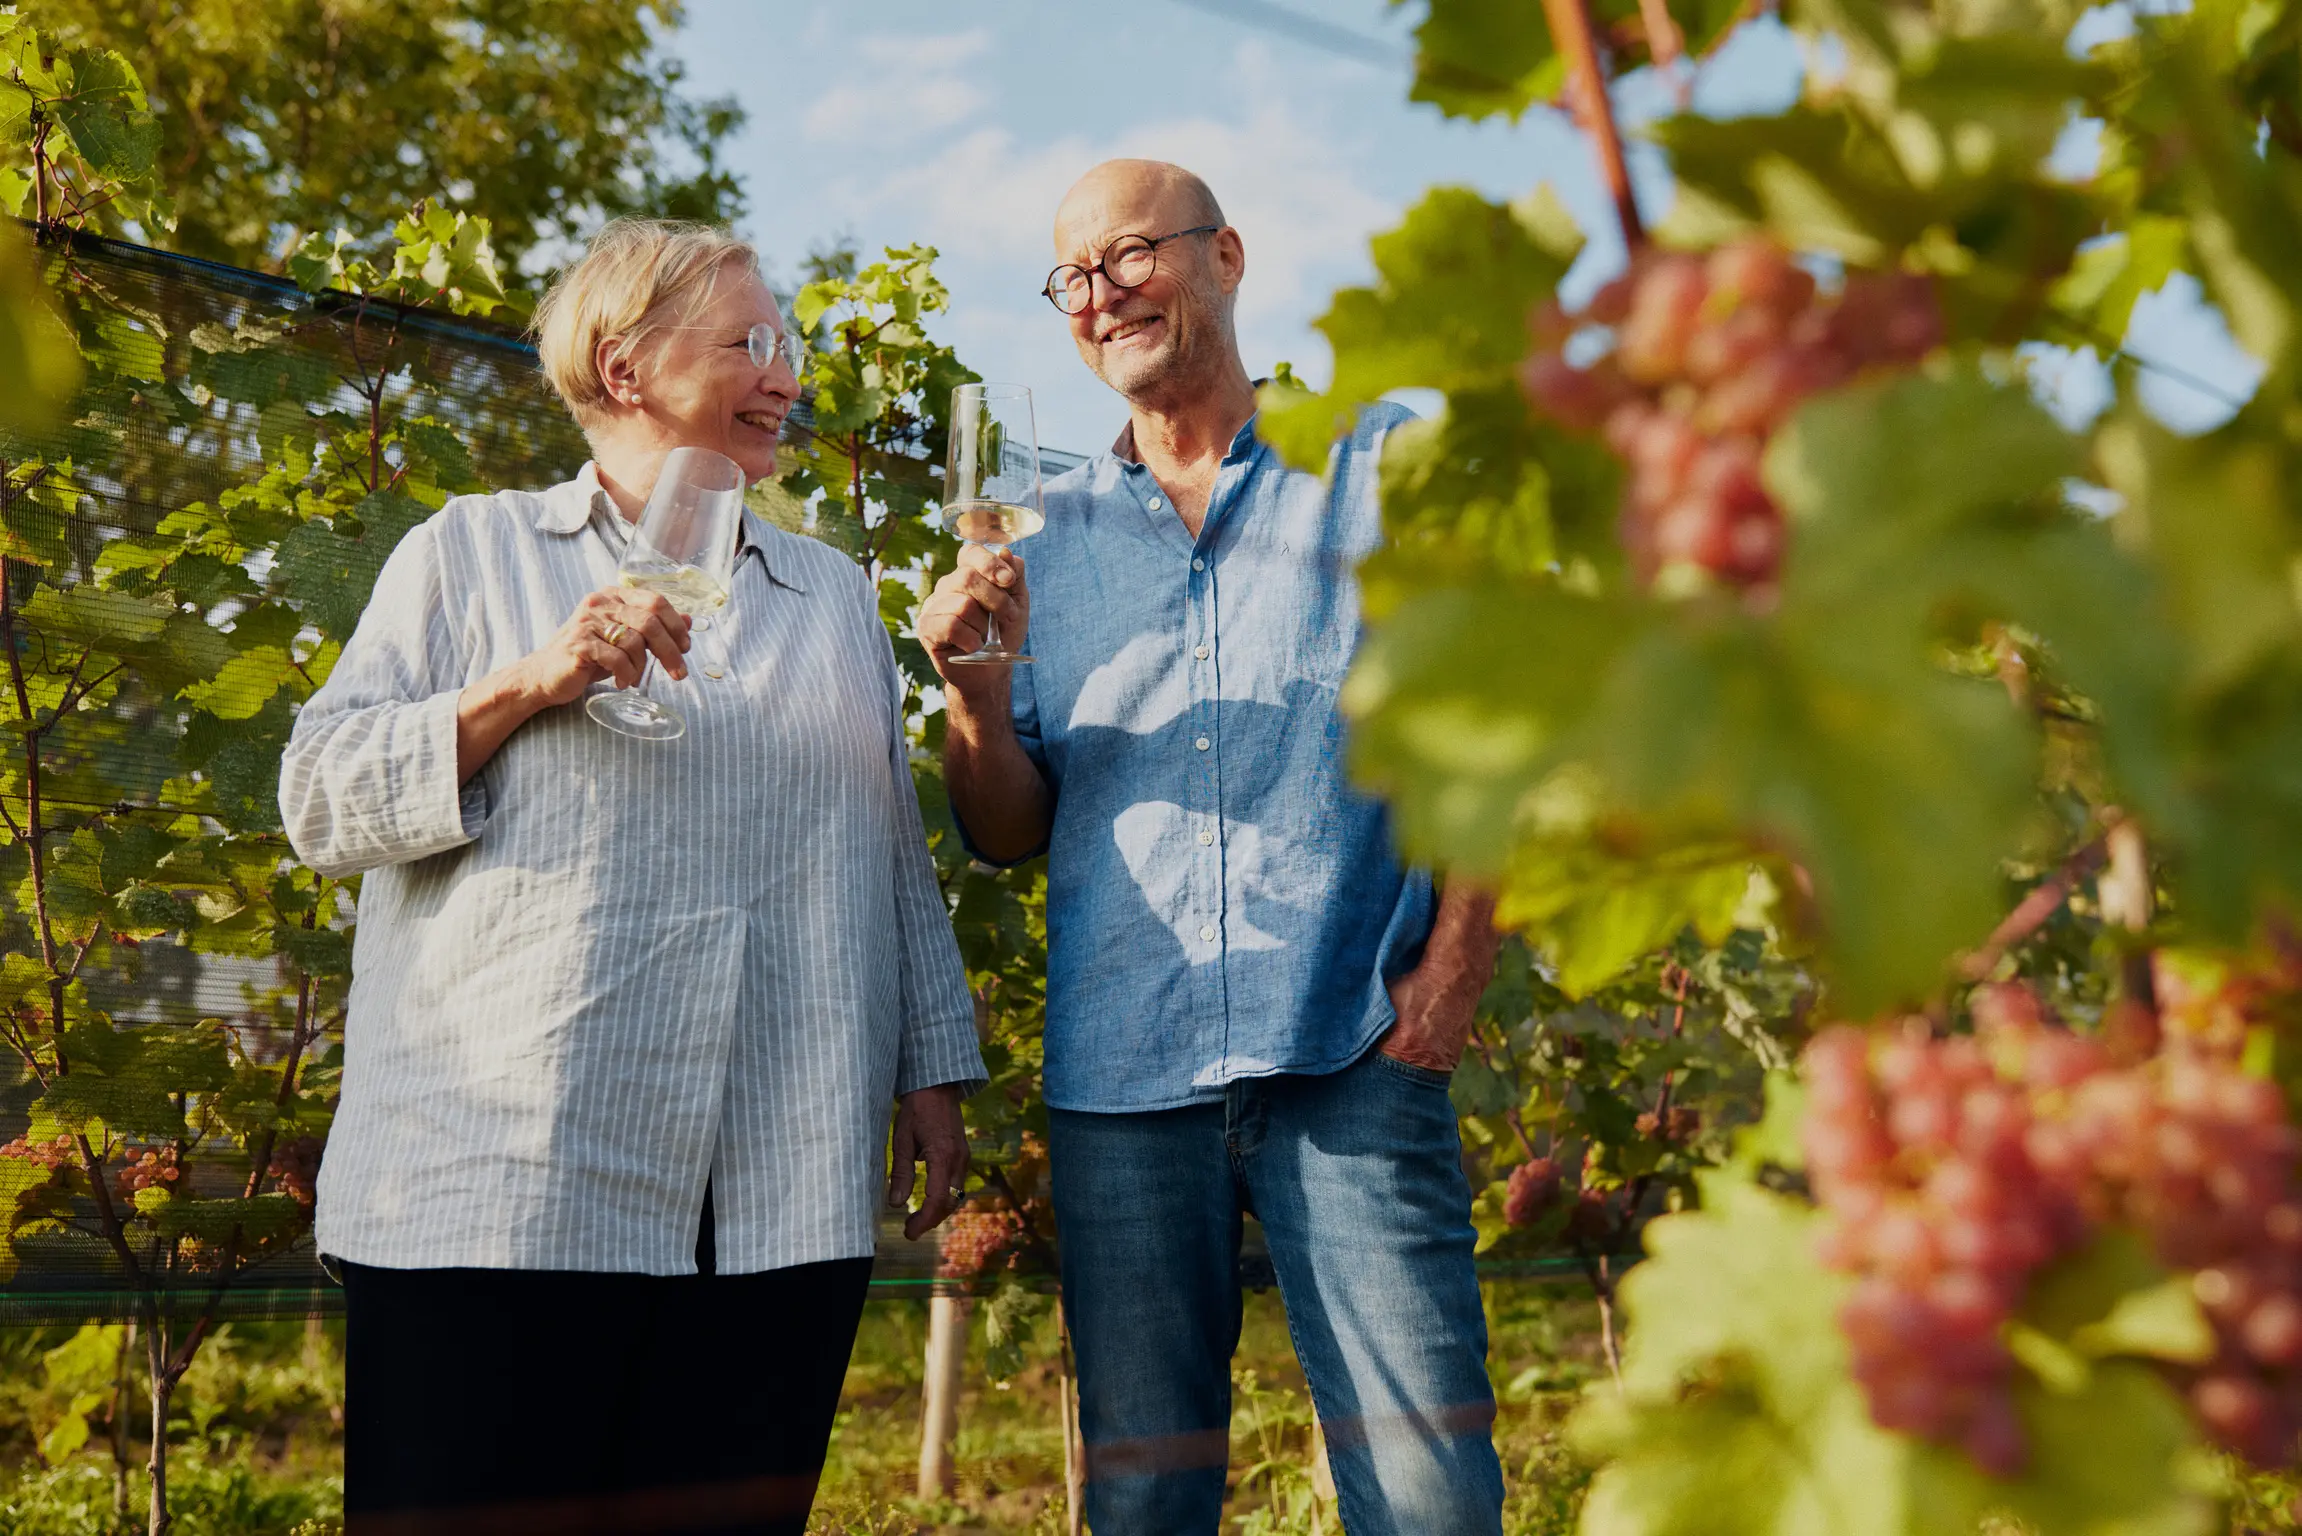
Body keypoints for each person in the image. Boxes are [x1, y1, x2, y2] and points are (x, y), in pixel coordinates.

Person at [280, 218, 985, 1535]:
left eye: (787, 345)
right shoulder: (471, 552)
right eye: (749, 342)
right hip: (507, 1182)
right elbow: (320, 798)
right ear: (623, 367)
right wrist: (529, 684)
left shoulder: (832, 597)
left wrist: (929, 1070)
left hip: (778, 1178)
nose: (786, 375)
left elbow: (888, 848)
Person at [920, 160, 1508, 1534]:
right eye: (1073, 276)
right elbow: (1006, 832)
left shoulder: (1382, 468)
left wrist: (1452, 975)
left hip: (1351, 1053)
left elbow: (1511, 725)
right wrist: (974, 698)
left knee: (1426, 1496)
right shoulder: (1044, 540)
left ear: (1226, 256)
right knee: (1142, 1504)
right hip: (1123, 1082)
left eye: (1130, 254)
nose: (1101, 293)